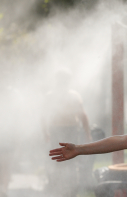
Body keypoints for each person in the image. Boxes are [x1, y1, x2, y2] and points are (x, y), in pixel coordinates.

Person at [43, 69, 92, 197]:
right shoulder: (51, 96)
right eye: (61, 79)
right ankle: (58, 188)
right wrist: (45, 133)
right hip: (56, 129)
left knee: (71, 159)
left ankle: (71, 189)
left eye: (65, 79)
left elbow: (82, 115)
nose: (63, 82)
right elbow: (43, 116)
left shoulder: (74, 95)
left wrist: (88, 133)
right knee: (58, 159)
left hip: (71, 129)